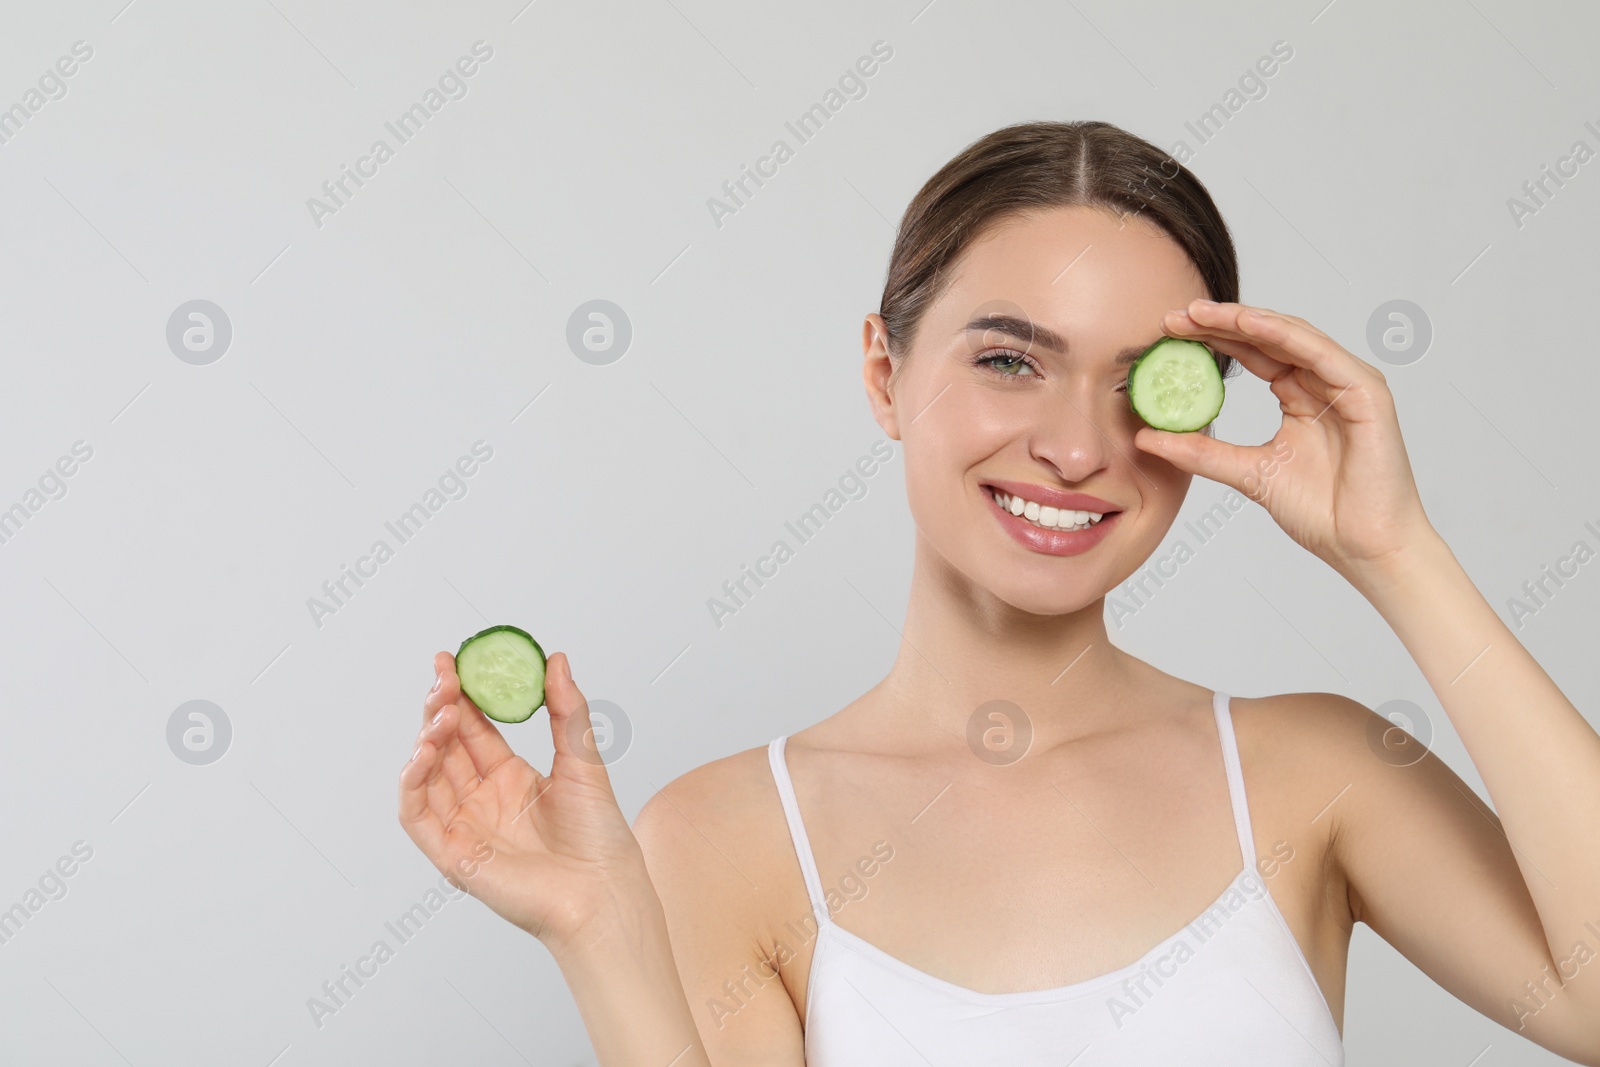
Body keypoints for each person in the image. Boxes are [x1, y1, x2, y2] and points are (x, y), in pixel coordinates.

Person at [398, 120, 1600, 1065]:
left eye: (1145, 383)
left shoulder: (1315, 768)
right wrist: (600, 932)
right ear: (885, 370)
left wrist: (1394, 550)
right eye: (1010, 360)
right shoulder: (726, 834)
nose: (1076, 447)